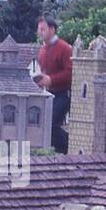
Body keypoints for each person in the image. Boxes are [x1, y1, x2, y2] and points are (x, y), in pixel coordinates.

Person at [36, 15, 73, 153]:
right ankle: (61, 150)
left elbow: (70, 73)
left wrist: (51, 80)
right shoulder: (42, 51)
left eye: (43, 29)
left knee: (50, 124)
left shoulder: (64, 48)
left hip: (63, 94)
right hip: (49, 94)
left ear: (52, 29)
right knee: (45, 124)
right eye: (39, 29)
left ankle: (70, 146)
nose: (40, 32)